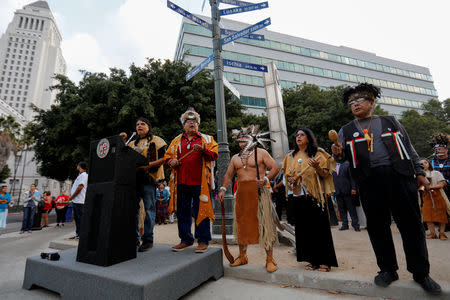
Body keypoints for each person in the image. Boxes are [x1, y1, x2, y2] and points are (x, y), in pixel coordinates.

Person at [332, 83, 441, 294]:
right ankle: (388, 270)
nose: (355, 104)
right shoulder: (345, 130)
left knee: (411, 225)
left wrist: (419, 172)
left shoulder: (390, 121)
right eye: (351, 102)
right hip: (368, 181)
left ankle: (421, 273)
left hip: (399, 176)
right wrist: (336, 152)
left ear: (372, 102)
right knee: (377, 227)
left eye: (360, 100)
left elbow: (409, 148)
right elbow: (342, 159)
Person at [218, 125, 279, 272]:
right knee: (241, 225)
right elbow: (228, 175)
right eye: (239, 140)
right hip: (242, 193)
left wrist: (265, 179)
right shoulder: (235, 158)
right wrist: (222, 188)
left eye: (245, 138)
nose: (242, 142)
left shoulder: (262, 153)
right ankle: (242, 256)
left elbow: (275, 168)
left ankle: (270, 259)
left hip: (259, 192)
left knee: (265, 225)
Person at [283, 128, 338, 272]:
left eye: (302, 135)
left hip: (315, 197)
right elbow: (287, 175)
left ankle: (325, 261)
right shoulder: (290, 156)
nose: (298, 137)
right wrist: (291, 179)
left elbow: (326, 174)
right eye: (297, 135)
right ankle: (312, 260)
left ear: (308, 138)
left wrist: (317, 167)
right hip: (298, 196)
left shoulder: (318, 153)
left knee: (320, 229)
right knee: (304, 230)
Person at [164, 108, 218, 253]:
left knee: (202, 211)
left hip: (201, 184)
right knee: (183, 212)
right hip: (181, 182)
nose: (192, 124)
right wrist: (171, 161)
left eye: (194, 121)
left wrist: (203, 150)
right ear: (184, 125)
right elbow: (166, 157)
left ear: (198, 125)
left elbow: (214, 155)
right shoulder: (176, 140)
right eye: (188, 122)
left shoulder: (206, 139)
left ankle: (203, 240)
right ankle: (186, 240)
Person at [122, 117, 167, 252]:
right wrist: (122, 140)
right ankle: (134, 239)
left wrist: (147, 166)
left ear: (148, 127)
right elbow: (123, 156)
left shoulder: (157, 141)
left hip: (149, 179)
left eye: (143, 124)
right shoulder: (131, 143)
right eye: (137, 124)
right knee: (132, 210)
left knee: (149, 209)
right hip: (133, 180)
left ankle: (148, 240)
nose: (139, 126)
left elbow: (164, 159)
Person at [420, 158, 448, 240]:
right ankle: (432, 233)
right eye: (421, 163)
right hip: (426, 197)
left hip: (438, 195)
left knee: (442, 215)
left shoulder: (436, 173)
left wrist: (430, 187)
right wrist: (423, 187)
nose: (423, 164)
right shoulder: (419, 175)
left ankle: (442, 233)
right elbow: (418, 186)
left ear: (429, 164)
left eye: (425, 162)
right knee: (427, 215)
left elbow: (441, 184)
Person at [332, 161, 360, 231]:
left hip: (347, 190)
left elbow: (351, 177)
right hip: (337, 191)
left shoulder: (347, 164)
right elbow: (331, 180)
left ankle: (355, 225)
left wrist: (353, 188)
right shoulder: (331, 167)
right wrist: (332, 190)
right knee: (341, 209)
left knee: (352, 209)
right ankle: (345, 224)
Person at [69, 162, 88, 240]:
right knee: (77, 218)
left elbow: (80, 187)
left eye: (77, 165)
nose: (77, 166)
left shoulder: (84, 175)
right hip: (76, 200)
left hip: (79, 201)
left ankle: (81, 234)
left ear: (80, 166)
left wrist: (72, 197)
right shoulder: (80, 175)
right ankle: (78, 233)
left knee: (80, 218)